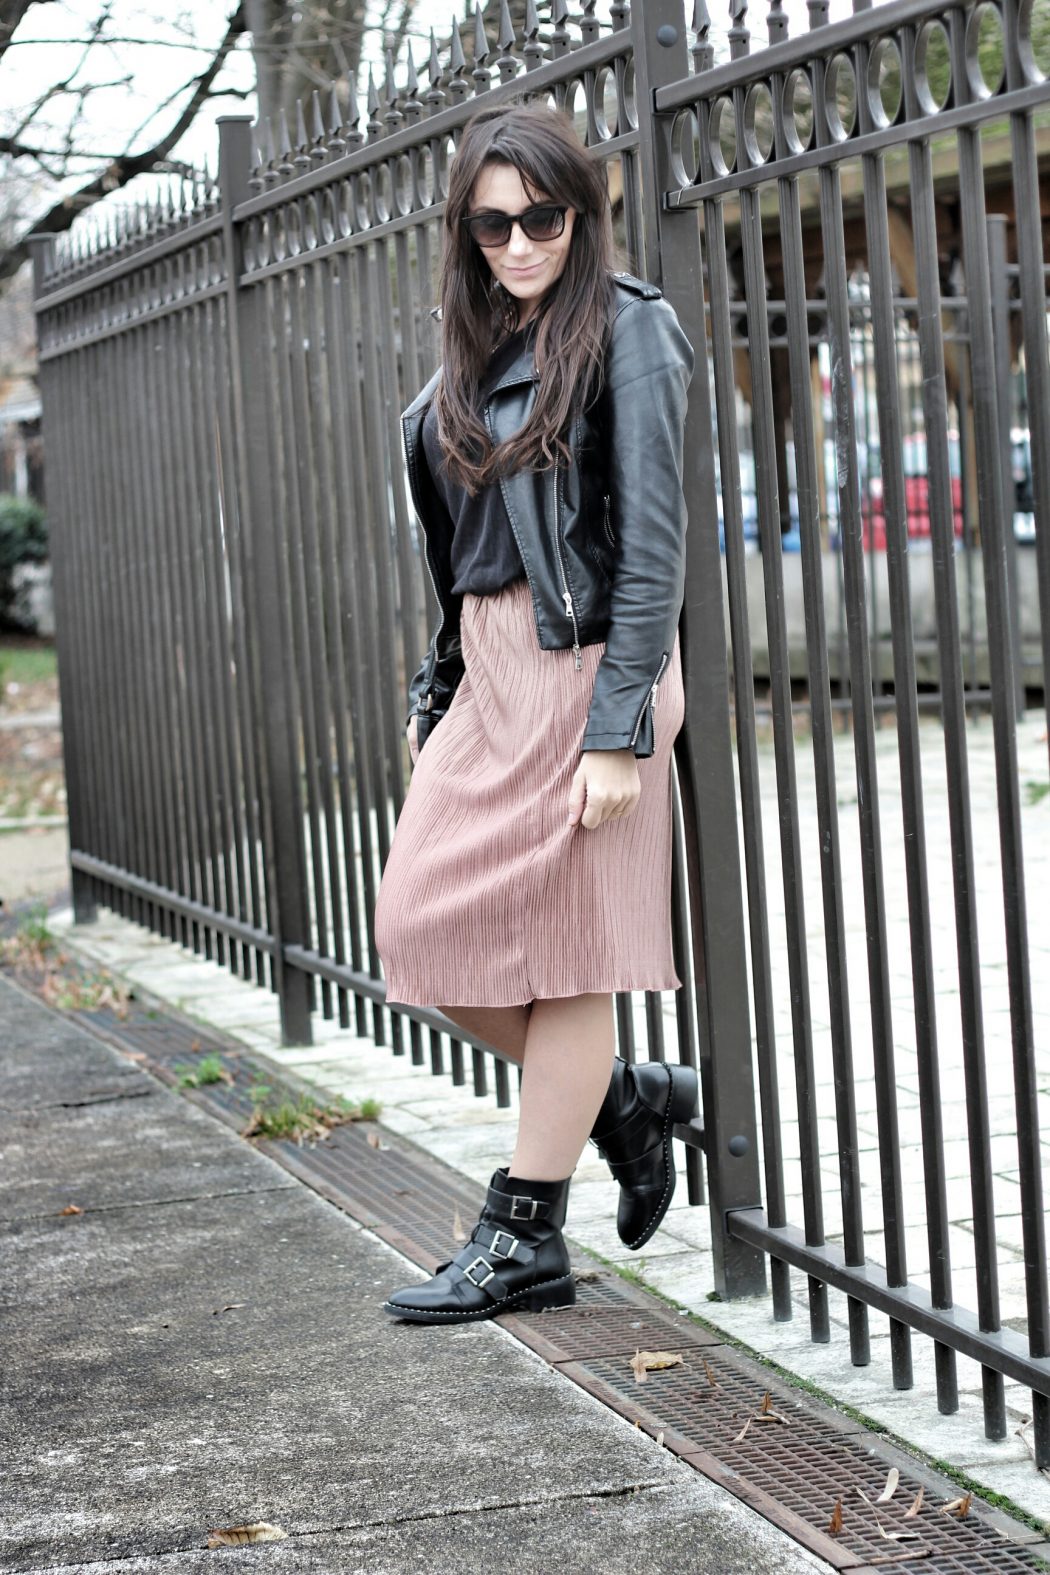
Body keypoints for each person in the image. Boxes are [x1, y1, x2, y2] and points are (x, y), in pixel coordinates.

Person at [373, 99, 698, 1325]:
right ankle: (619, 1100)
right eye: (493, 224)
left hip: (588, 668)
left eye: (542, 219)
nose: (519, 244)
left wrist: (620, 729)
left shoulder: (629, 328)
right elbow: (459, 558)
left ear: (582, 214)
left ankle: (524, 1235)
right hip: (492, 678)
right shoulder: (466, 358)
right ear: (465, 232)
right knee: (418, 924)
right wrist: (442, 687)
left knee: (566, 961)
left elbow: (653, 549)